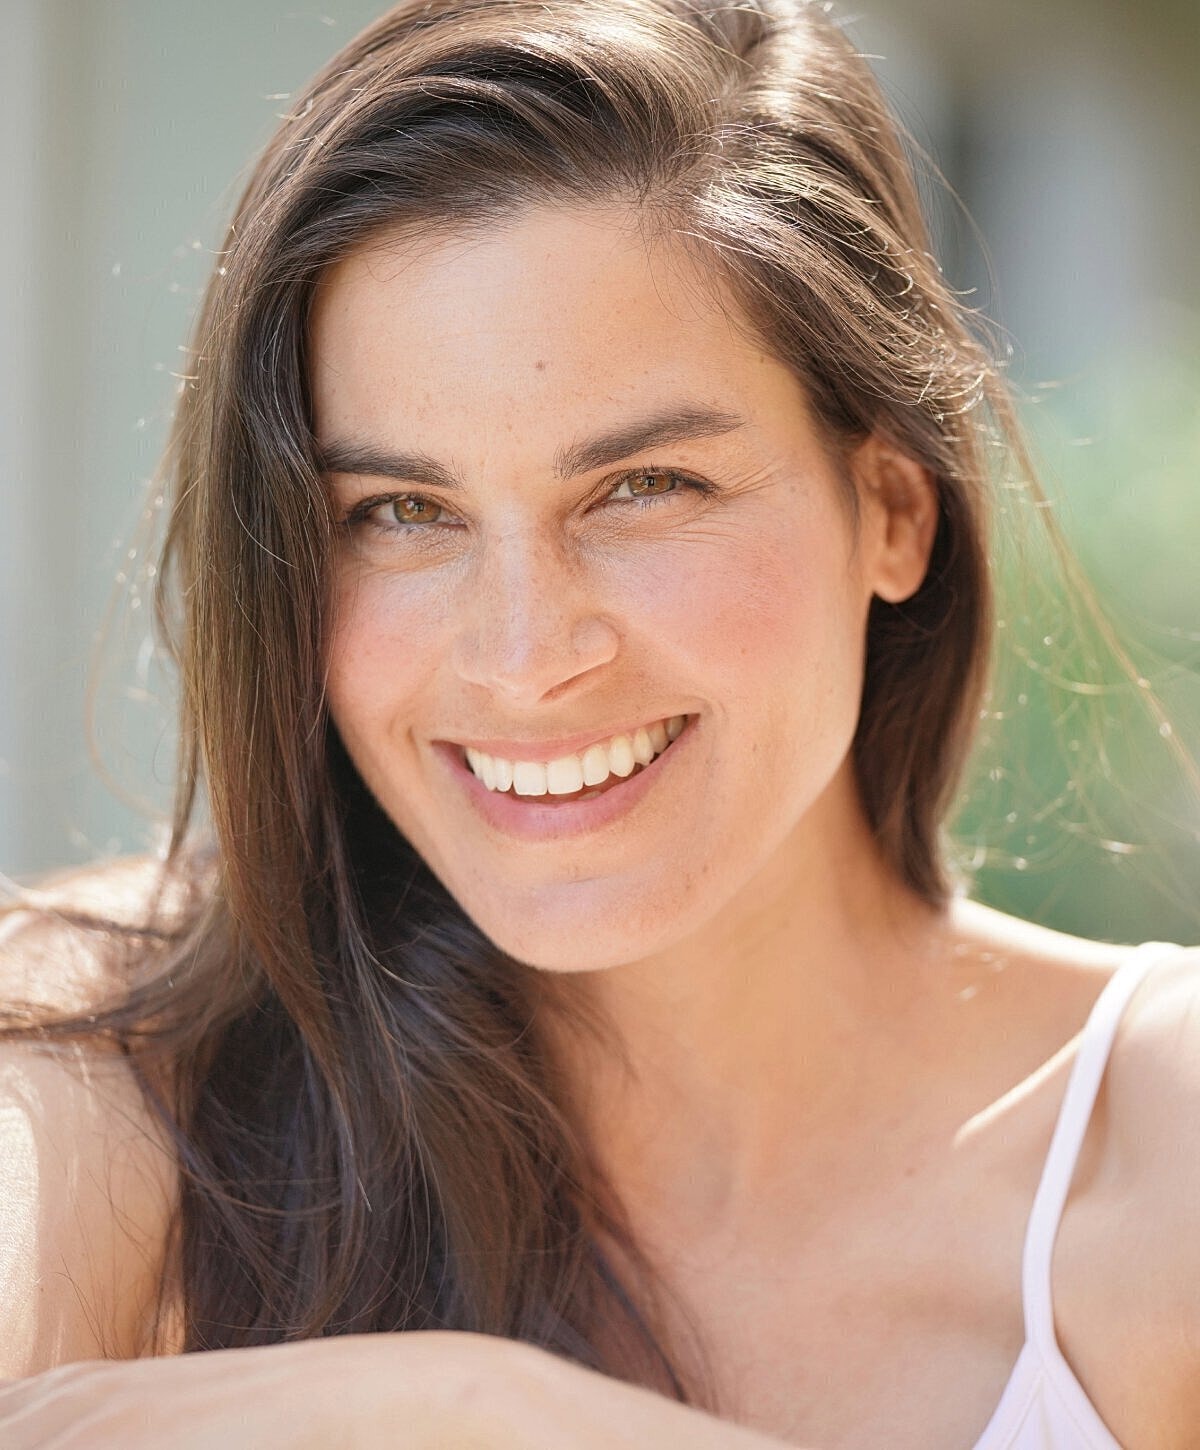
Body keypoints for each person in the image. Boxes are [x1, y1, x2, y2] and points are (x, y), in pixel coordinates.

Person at [1, 0, 1197, 1444]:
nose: (522, 655)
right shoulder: (114, 1059)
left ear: (891, 509)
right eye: (401, 512)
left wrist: (503, 1416)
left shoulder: (1158, 1145)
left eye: (646, 488)